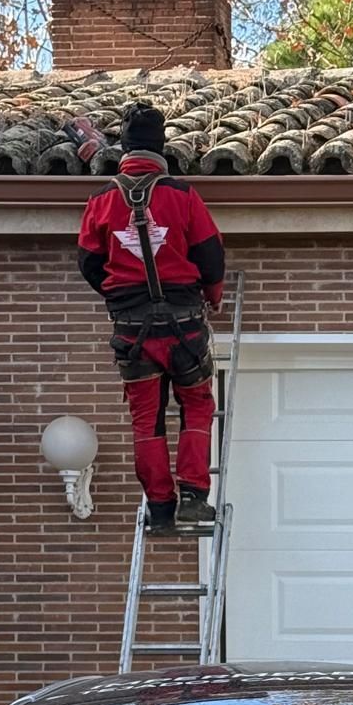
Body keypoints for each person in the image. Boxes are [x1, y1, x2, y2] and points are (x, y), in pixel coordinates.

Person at [77, 104, 226, 536]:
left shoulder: (102, 201)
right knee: (197, 405)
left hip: (132, 332)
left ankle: (160, 508)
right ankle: (194, 500)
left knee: (147, 418)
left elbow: (88, 262)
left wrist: (119, 295)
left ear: (125, 149)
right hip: (185, 328)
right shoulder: (181, 195)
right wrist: (212, 295)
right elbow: (211, 255)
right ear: (161, 148)